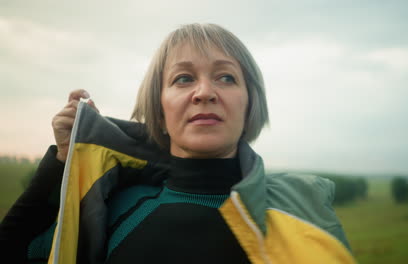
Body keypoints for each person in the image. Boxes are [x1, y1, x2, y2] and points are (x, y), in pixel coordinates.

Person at [0, 23, 356, 264]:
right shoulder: (113, 209)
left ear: (250, 103)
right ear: (160, 106)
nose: (204, 92)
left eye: (226, 77)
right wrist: (62, 160)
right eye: (183, 78)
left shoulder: (303, 214)